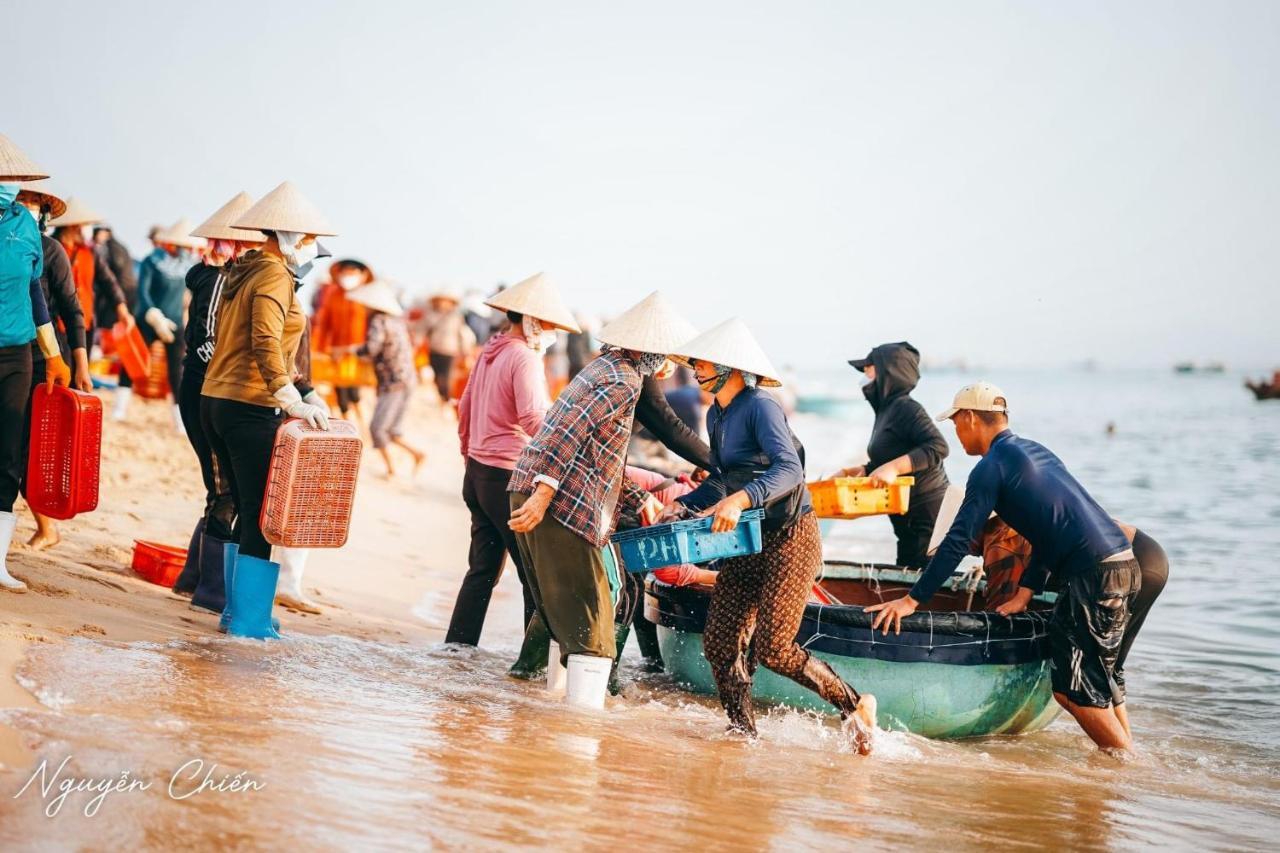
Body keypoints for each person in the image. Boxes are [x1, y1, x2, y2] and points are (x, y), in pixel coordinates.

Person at [866, 382, 1142, 752]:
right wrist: (1025, 593)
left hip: (1092, 575)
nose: (957, 434)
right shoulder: (1035, 452)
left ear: (969, 418)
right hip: (1123, 564)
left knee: (1072, 693)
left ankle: (1127, 768)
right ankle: (1126, 765)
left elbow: (958, 541)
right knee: (1094, 682)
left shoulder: (990, 468)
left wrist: (912, 601)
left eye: (956, 423)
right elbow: (1050, 530)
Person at [665, 318, 876, 752]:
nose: (695, 370)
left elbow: (789, 471)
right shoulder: (717, 414)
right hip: (748, 539)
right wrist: (683, 504)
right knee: (720, 640)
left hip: (790, 535)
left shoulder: (761, 406)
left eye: (701, 363)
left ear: (730, 368)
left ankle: (854, 706)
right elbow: (725, 476)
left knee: (776, 648)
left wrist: (739, 500)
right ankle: (743, 734)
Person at [507, 291, 685, 709]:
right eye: (668, 355)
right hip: (563, 506)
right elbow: (567, 431)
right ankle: (581, 731)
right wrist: (544, 494)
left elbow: (595, 450)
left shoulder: (603, 367)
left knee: (561, 614)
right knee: (593, 626)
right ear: (649, 349)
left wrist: (636, 494)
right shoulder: (622, 380)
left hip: (540, 491)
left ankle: (547, 707)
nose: (671, 366)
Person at [200, 181, 335, 639]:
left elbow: (257, 341)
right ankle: (250, 621)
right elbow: (263, 341)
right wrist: (287, 396)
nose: (315, 249)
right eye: (312, 241)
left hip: (217, 399)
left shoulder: (249, 269)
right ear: (292, 237)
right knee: (260, 514)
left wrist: (305, 390)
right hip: (247, 405)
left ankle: (238, 610)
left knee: (242, 503)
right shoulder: (275, 275)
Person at [446, 272, 578, 647]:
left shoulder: (492, 350)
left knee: (482, 570)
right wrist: (569, 449)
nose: (553, 332)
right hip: (507, 475)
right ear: (534, 320)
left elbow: (466, 409)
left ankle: (456, 647)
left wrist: (468, 456)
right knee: (532, 573)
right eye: (550, 324)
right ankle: (531, 664)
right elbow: (534, 418)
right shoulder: (523, 358)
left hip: (478, 473)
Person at [170, 191, 264, 610]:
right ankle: (210, 591)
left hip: (210, 388)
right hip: (205, 388)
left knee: (219, 487)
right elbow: (206, 340)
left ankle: (193, 579)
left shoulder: (227, 277)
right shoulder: (218, 278)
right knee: (223, 488)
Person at [0, 136, 72, 592]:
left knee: (7, 455)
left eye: (15, 180)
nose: (12, 187)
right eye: (8, 179)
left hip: (16, 354)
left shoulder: (24, 224)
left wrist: (54, 355)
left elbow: (35, 293)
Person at [15, 182, 90, 552]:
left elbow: (72, 310)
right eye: (20, 199)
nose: (26, 205)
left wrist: (81, 363)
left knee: (24, 444)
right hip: (8, 350)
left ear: (43, 211)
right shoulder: (6, 244)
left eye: (33, 201)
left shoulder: (51, 250)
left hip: (44, 359)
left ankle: (47, 527)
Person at [838, 342, 950, 568]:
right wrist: (866, 470)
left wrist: (893, 468)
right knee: (905, 573)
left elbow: (938, 447)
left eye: (867, 368)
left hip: (927, 513)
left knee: (921, 583)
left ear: (887, 372)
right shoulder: (885, 411)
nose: (864, 375)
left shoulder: (907, 408)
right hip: (905, 515)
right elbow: (893, 452)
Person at [130, 218, 201, 430]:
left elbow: (193, 295)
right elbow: (142, 292)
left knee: (176, 371)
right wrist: (152, 314)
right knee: (133, 361)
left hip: (176, 322)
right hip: (149, 319)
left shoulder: (190, 265)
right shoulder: (152, 261)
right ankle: (120, 407)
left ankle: (179, 420)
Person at [349, 280, 425, 477]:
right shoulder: (396, 321)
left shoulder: (378, 321)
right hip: (407, 378)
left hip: (394, 381)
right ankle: (416, 454)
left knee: (377, 428)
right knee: (392, 429)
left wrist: (350, 350)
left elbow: (371, 349)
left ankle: (391, 469)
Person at [311, 258, 371, 429]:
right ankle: (349, 427)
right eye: (346, 272)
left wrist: (366, 351)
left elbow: (371, 327)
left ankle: (363, 425)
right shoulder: (333, 295)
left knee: (354, 393)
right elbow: (325, 324)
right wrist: (322, 348)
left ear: (362, 275)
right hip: (335, 352)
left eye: (353, 273)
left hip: (357, 353)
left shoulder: (366, 296)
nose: (348, 276)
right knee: (340, 394)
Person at [416, 288, 475, 410]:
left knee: (446, 377)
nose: (443, 303)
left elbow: (461, 335)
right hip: (434, 350)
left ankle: (446, 401)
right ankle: (441, 399)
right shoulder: (430, 315)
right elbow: (421, 332)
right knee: (437, 377)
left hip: (450, 351)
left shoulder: (456, 317)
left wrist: (466, 353)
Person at [93, 225, 138, 313]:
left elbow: (117, 266)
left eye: (96, 232)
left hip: (123, 290)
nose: (94, 236)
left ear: (106, 233)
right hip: (125, 290)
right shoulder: (116, 246)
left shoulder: (113, 247)